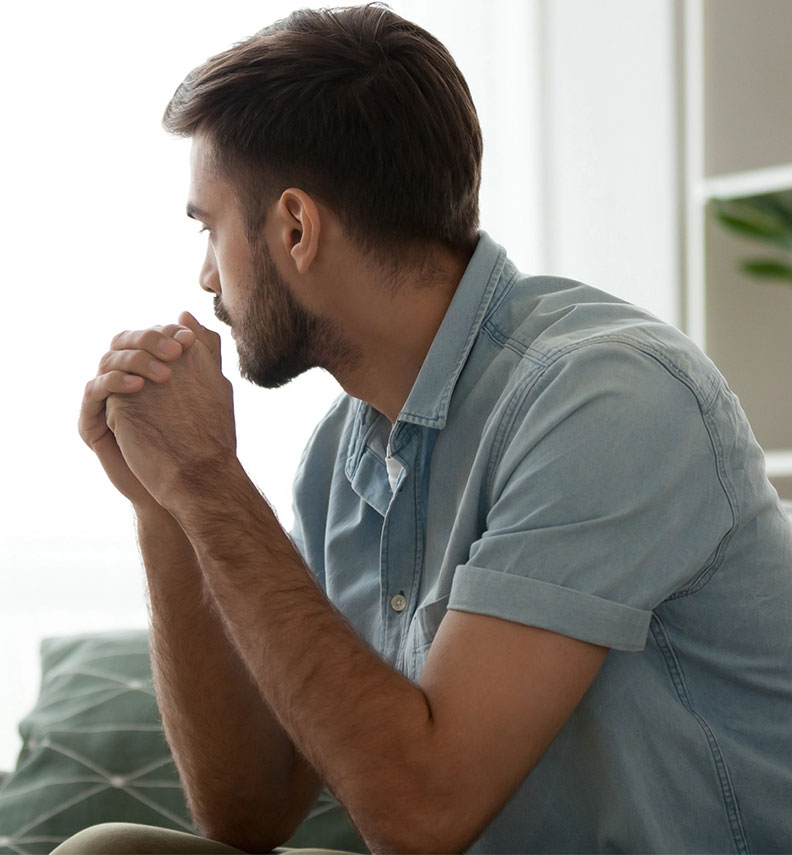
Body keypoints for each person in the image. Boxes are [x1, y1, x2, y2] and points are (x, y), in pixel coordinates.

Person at [63, 4, 792, 854]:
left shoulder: (607, 398)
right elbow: (246, 814)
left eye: (209, 225)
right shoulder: (341, 454)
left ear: (295, 227)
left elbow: (423, 813)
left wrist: (210, 481)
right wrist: (168, 507)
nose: (203, 274)